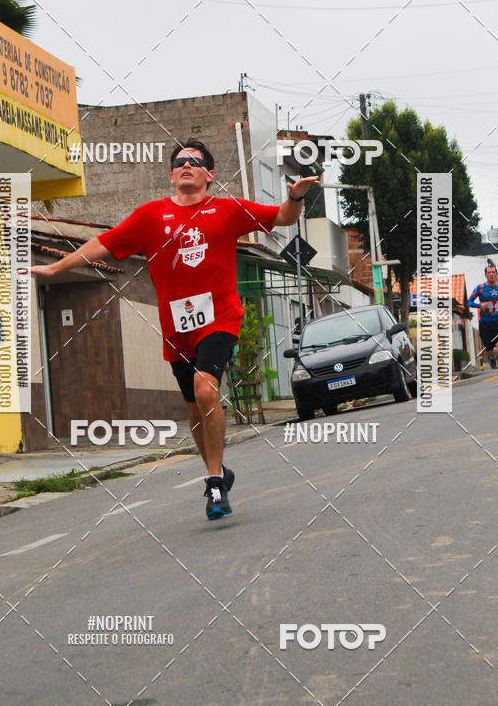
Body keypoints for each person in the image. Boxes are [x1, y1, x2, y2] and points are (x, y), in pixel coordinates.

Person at [32, 139, 319, 519]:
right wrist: (54, 269)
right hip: (177, 328)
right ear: (171, 175)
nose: (187, 165)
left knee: (206, 389)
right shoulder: (150, 216)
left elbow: (282, 218)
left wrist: (295, 197)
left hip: (220, 317)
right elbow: (102, 243)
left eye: (195, 161)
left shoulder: (227, 209)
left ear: (209, 174)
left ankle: (215, 484)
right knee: (194, 409)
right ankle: (218, 471)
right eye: (180, 162)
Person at [467, 263, 498, 386]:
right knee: (488, 349)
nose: (492, 274)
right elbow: (469, 302)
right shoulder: (480, 288)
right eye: (489, 272)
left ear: (496, 274)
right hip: (485, 322)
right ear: (486, 275)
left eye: (493, 272)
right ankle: (491, 357)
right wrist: (479, 305)